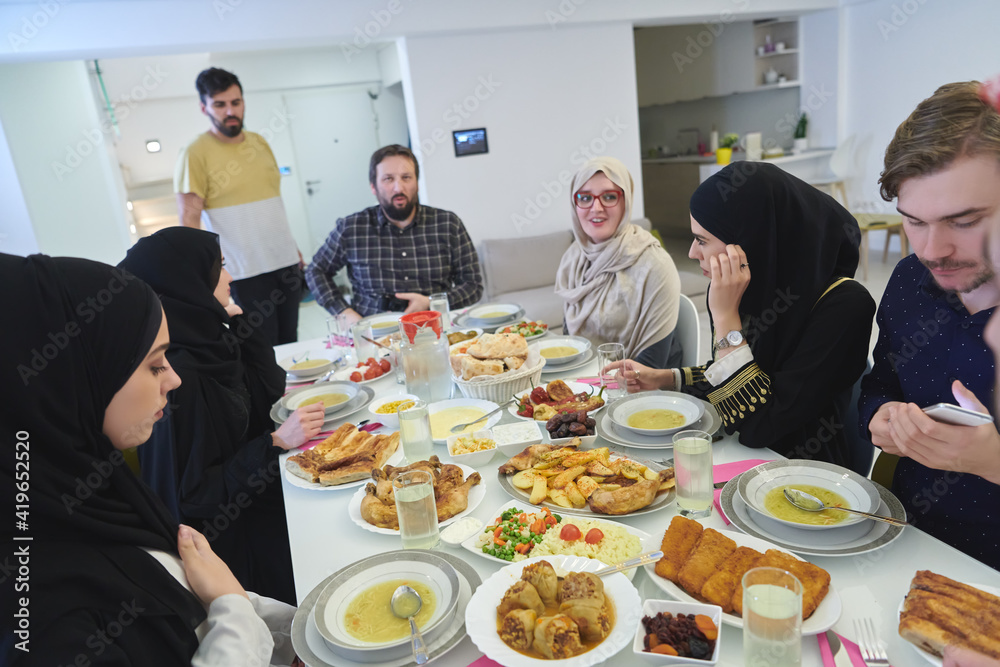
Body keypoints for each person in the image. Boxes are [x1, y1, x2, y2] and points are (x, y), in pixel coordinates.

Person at [0, 252, 299, 665]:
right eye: (154, 364)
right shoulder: (46, 620)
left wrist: (300, 630)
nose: (172, 379)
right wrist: (233, 608)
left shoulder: (97, 492)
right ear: (78, 379)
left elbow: (186, 594)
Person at [608, 162, 876, 471]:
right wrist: (664, 378)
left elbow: (757, 425)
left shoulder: (844, 306)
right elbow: (736, 374)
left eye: (703, 240)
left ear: (750, 239)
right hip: (742, 463)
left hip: (804, 480)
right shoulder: (757, 288)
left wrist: (725, 318)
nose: (693, 253)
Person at [119, 227, 325, 605]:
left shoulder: (209, 336)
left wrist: (240, 324)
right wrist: (275, 442)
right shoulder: (178, 372)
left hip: (252, 495)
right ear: (189, 283)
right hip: (228, 542)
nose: (230, 278)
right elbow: (194, 495)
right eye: (221, 269)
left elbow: (268, 390)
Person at [858, 81, 1000, 569]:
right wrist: (879, 418)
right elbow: (880, 385)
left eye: (963, 221)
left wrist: (988, 460)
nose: (932, 249)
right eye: (913, 221)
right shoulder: (910, 279)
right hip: (902, 539)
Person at [176, 67, 304, 346]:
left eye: (236, 102)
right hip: (244, 272)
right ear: (204, 107)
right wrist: (206, 274)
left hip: (285, 263)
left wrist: (292, 248)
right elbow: (189, 218)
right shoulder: (195, 152)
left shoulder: (259, 142)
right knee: (263, 350)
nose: (230, 111)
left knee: (292, 343)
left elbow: (272, 202)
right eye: (220, 105)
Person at [305, 144, 484, 323]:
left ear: (417, 183)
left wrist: (430, 303)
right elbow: (316, 270)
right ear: (373, 187)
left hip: (433, 327)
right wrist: (344, 312)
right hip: (371, 334)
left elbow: (473, 286)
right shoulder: (351, 228)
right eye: (388, 179)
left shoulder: (447, 223)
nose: (398, 188)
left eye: (406, 177)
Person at [554, 156, 682, 368]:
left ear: (626, 201)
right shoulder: (573, 259)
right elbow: (572, 345)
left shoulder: (655, 264)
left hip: (645, 390)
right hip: (587, 382)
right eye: (585, 198)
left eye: (609, 196)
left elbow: (649, 369)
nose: (596, 208)